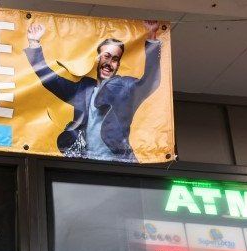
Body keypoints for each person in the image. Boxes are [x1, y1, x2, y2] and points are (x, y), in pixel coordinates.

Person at [24, 20, 162, 162]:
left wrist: (152, 36)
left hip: (118, 164)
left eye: (115, 59)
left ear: (118, 64)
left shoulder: (125, 88)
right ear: (98, 59)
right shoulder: (83, 89)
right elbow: (52, 81)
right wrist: (34, 43)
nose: (109, 63)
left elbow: (150, 81)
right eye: (106, 56)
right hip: (87, 165)